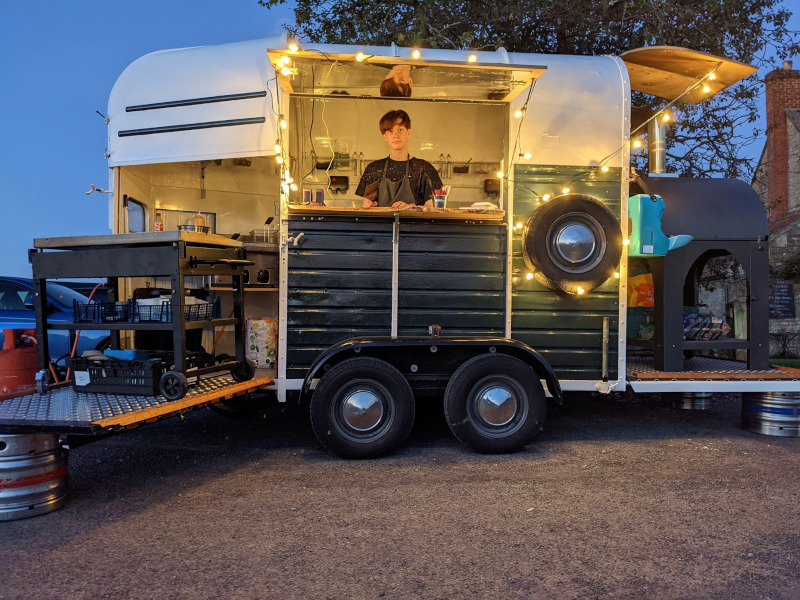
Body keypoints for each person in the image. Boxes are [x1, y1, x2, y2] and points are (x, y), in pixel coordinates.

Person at [356, 109, 442, 209]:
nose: (395, 135)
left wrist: (412, 208)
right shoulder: (373, 169)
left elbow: (434, 209)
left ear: (408, 133)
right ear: (385, 136)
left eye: (400, 130)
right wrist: (370, 206)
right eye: (390, 131)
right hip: (382, 224)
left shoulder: (425, 169)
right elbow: (366, 205)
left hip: (413, 224)